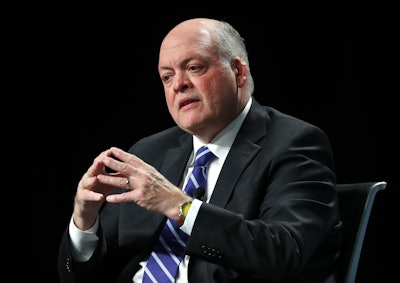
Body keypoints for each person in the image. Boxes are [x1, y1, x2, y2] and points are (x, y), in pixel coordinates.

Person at [58, 18, 342, 283]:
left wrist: (179, 206)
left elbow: (283, 253)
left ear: (239, 72)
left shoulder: (294, 142)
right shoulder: (149, 152)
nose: (178, 84)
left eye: (194, 68)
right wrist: (85, 223)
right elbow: (85, 276)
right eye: (167, 77)